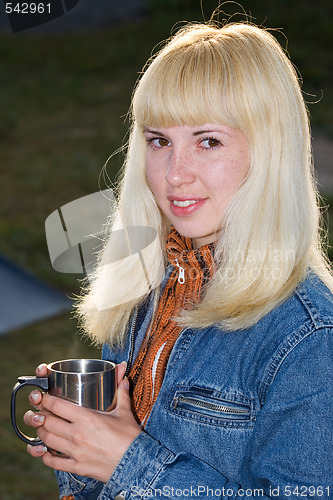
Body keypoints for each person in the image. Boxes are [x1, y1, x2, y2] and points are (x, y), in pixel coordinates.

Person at [24, 21, 333, 499]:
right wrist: (82, 446)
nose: (175, 174)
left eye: (208, 141)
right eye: (158, 140)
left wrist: (127, 460)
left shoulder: (309, 337)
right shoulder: (148, 285)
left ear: (270, 151)